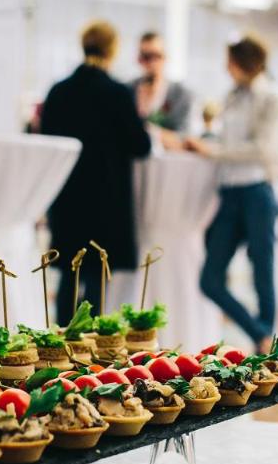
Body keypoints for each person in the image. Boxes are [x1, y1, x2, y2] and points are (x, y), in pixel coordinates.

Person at [41, 20, 152, 324]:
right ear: (113, 50)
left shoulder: (59, 92)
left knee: (69, 273)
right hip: (106, 198)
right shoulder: (117, 93)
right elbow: (140, 145)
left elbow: (46, 143)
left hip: (67, 196)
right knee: (97, 277)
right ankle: (89, 349)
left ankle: (60, 341)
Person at [186, 35, 278, 353]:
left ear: (244, 62)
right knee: (210, 279)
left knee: (262, 267)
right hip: (229, 192)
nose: (225, 67)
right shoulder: (231, 97)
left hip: (258, 189)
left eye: (230, 61)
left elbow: (263, 148)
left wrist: (213, 151)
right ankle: (260, 332)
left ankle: (266, 342)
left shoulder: (273, 97)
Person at [129, 32, 193, 134]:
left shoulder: (181, 95)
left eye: (156, 56)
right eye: (146, 57)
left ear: (165, 57)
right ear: (139, 59)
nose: (152, 62)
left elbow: (183, 137)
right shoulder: (128, 90)